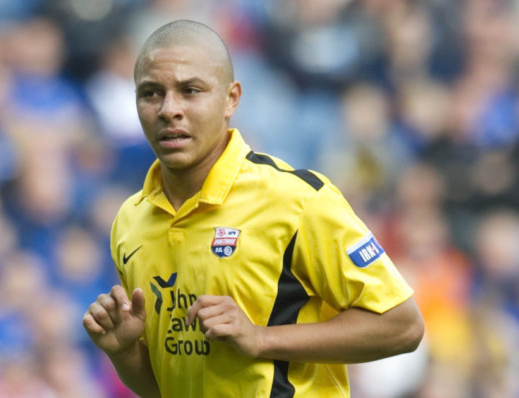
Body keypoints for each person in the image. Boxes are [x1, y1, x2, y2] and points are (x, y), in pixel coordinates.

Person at [82, 20, 424, 397]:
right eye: (151, 93)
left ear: (231, 99)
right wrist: (124, 352)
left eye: (190, 90)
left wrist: (261, 338)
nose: (169, 109)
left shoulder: (297, 199)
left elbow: (402, 326)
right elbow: (169, 386)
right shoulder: (130, 222)